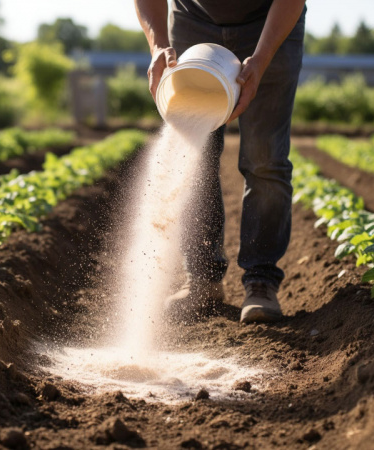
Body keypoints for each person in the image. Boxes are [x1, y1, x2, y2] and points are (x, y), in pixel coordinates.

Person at [135, 0, 307, 324]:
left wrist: (262, 57)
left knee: (265, 158)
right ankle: (203, 279)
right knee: (193, 156)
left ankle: (261, 281)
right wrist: (158, 45)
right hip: (193, 21)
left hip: (267, 23)